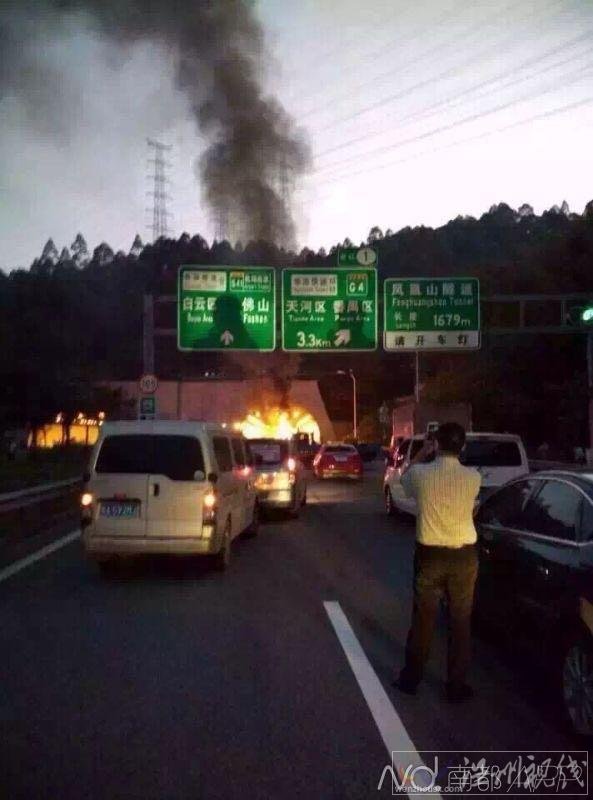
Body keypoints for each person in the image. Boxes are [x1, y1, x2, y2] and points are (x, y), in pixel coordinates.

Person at [394, 422, 481, 704]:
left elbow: (403, 483)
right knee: (460, 621)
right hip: (464, 555)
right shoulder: (473, 477)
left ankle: (411, 679)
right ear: (463, 447)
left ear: (437, 444)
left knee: (423, 618)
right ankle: (455, 685)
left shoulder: (420, 473)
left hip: (430, 553)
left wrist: (420, 454)